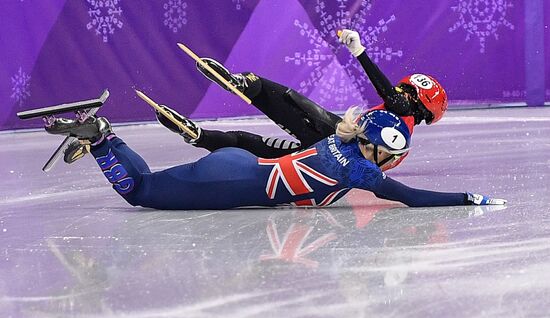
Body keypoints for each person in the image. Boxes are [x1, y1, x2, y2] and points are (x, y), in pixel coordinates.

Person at [65, 29, 446, 172]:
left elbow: (388, 95)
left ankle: (243, 85)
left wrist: (360, 52)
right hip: (321, 159)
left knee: (283, 96)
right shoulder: (401, 127)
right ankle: (198, 136)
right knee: (251, 145)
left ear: (420, 110)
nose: (402, 94)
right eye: (405, 89)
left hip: (333, 138)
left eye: (411, 95)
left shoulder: (401, 122)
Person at [44, 102, 505, 210]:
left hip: (238, 163)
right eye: (388, 152)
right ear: (376, 151)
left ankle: (105, 139)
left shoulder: (345, 137)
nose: (388, 161)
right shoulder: (363, 170)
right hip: (231, 182)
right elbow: (411, 197)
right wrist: (468, 198)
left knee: (153, 182)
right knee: (140, 192)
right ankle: (102, 137)